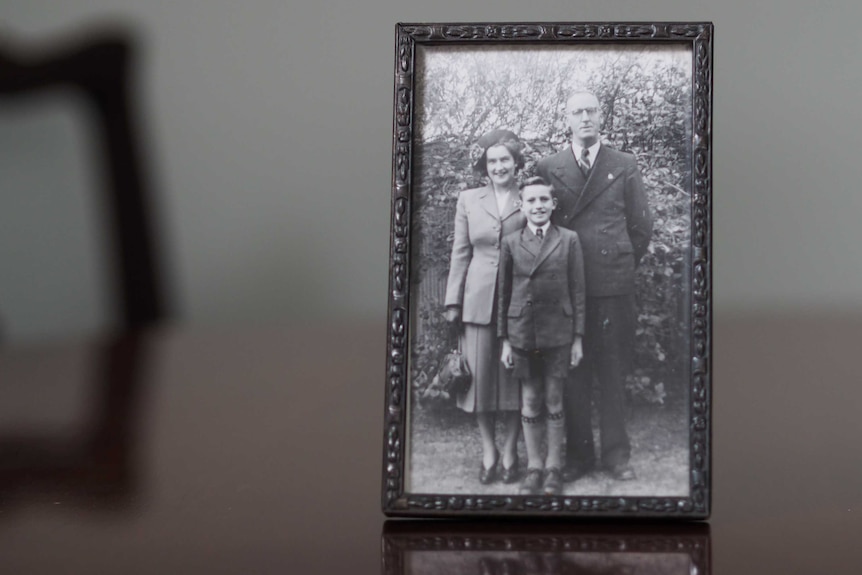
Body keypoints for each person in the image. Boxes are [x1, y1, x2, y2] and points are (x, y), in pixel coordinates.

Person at [536, 91, 653, 482]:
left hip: (612, 284)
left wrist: (617, 262)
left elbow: (641, 226)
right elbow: (544, 225)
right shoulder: (549, 165)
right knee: (573, 373)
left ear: (601, 117)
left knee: (613, 370)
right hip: (567, 284)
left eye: (591, 110)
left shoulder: (624, 163)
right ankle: (580, 457)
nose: (584, 117)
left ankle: (617, 456)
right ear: (566, 119)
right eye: (577, 112)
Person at [444, 129, 527, 485]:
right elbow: (460, 253)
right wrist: (452, 301)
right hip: (476, 301)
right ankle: (489, 450)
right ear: (484, 165)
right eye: (492, 161)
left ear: (515, 162)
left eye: (504, 159)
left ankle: (510, 451)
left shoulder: (530, 198)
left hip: (520, 299)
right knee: (478, 380)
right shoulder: (468, 199)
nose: (498, 166)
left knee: (514, 381)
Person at [497, 176, 586, 495]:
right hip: (523, 333)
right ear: (522, 204)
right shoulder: (511, 241)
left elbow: (578, 291)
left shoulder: (569, 239)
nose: (538, 206)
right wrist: (505, 340)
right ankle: (534, 466)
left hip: (558, 333)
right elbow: (503, 294)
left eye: (543, 200)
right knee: (531, 399)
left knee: (553, 398)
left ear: (553, 204)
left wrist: (577, 338)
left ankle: (553, 468)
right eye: (531, 200)